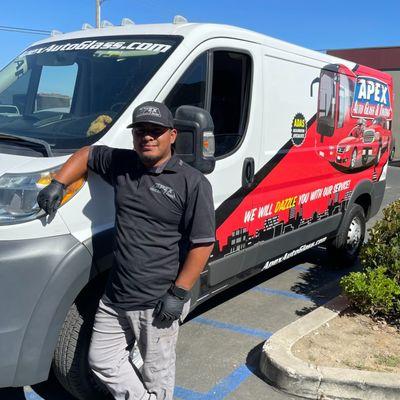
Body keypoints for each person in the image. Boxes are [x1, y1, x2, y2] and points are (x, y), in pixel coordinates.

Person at [37, 101, 215, 400]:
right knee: (101, 360)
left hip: (157, 300)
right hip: (115, 295)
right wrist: (58, 182)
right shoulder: (122, 164)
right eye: (141, 131)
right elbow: (88, 154)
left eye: (155, 131)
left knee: (156, 375)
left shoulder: (192, 182)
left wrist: (179, 293)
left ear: (172, 135)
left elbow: (203, 242)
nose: (147, 137)